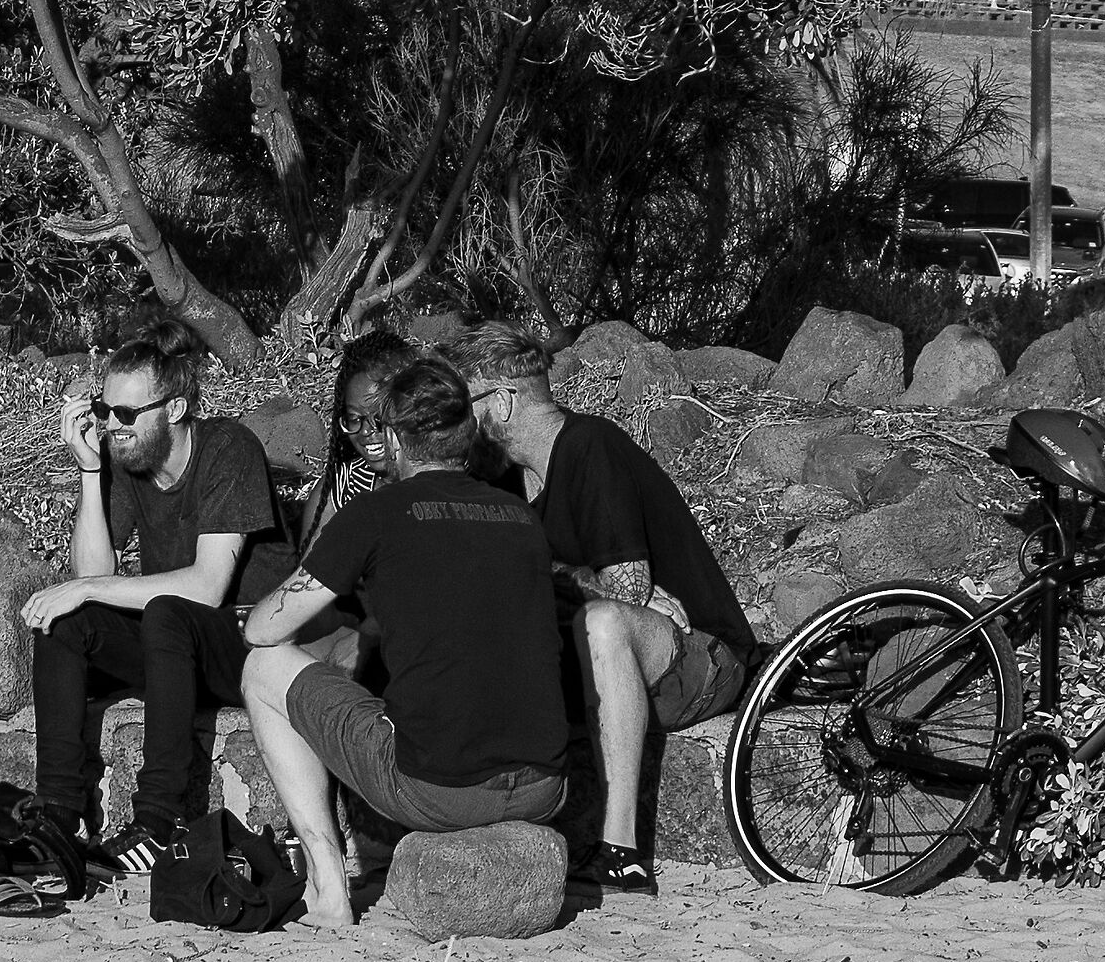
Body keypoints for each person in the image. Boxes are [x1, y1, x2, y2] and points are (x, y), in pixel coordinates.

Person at [239, 358, 570, 927]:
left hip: (441, 790)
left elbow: (264, 628)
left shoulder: (376, 512)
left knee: (261, 667)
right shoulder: (521, 517)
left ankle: (328, 887)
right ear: (469, 433)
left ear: (394, 440)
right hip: (544, 786)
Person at [449, 321, 756, 896]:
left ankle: (621, 851)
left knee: (603, 621)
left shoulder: (590, 447)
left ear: (504, 401)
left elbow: (627, 594)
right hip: (615, 662)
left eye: (467, 405)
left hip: (696, 657)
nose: (459, 424)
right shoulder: (510, 481)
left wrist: (558, 582)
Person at [22, 319, 296, 874]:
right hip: (170, 651)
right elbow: (93, 573)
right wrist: (90, 470)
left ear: (174, 409)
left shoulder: (229, 449)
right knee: (67, 623)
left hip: (246, 647)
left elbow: (208, 587)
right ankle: (58, 813)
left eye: (126, 414)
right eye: (105, 411)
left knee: (167, 611)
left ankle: (157, 822)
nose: (112, 426)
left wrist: (90, 587)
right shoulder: (131, 459)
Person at [296, 329, 422, 549]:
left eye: (379, 417)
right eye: (354, 419)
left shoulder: (446, 479)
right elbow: (307, 567)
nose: (366, 431)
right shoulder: (342, 489)